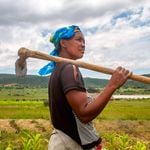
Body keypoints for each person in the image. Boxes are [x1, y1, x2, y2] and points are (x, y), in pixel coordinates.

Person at [38, 25, 131, 150]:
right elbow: (84, 114)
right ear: (63, 43)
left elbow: (76, 109)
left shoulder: (59, 69)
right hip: (72, 144)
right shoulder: (69, 68)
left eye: (84, 41)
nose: (83, 45)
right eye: (78, 40)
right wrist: (112, 85)